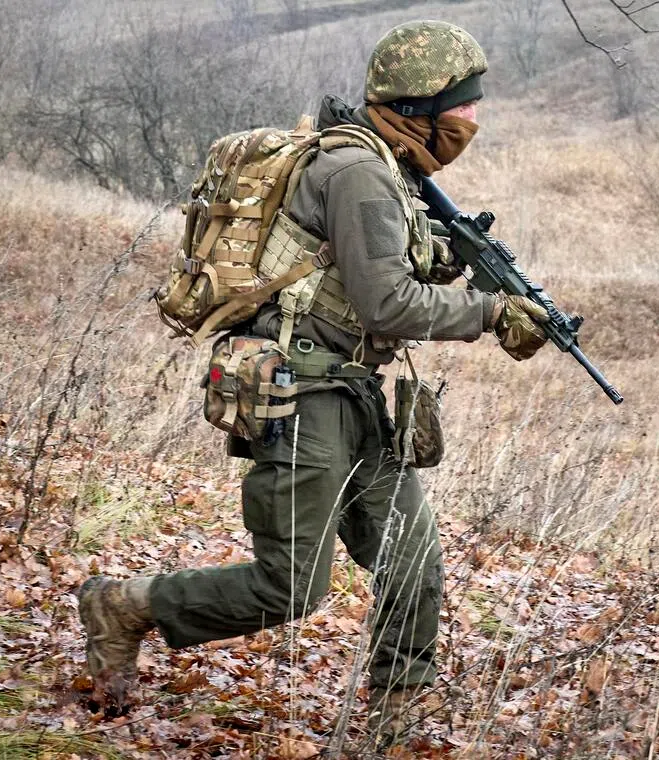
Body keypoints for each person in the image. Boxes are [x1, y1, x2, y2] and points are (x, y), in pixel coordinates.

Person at [78, 19, 549, 747]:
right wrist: (488, 312)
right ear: (418, 108)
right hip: (301, 395)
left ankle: (394, 720)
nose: (473, 118)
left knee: (412, 560)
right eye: (462, 105)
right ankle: (125, 606)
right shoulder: (357, 172)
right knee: (291, 584)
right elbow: (387, 304)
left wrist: (457, 262)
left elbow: (378, 275)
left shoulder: (389, 169)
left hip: (354, 392)